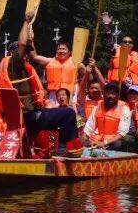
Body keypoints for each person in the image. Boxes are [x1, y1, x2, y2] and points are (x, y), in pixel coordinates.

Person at [8, 10, 83, 154]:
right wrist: (26, 21)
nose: (27, 53)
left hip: (33, 111)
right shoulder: (15, 63)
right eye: (24, 51)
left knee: (62, 113)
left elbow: (29, 49)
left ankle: (58, 147)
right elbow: (24, 45)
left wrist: (31, 40)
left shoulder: (15, 65)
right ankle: (69, 149)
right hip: (30, 115)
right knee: (67, 113)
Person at [83, 82, 133, 152]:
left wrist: (104, 143)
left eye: (113, 94)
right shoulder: (98, 106)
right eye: (108, 93)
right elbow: (89, 126)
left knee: (118, 144)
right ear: (103, 94)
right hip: (98, 139)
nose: (110, 96)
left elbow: (122, 133)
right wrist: (85, 137)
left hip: (113, 142)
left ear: (118, 96)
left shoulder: (124, 109)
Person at [31, 41, 82, 106]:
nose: (61, 51)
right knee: (53, 112)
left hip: (70, 93)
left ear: (69, 52)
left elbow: (87, 75)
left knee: (69, 113)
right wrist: (31, 41)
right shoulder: (50, 61)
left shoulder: (76, 63)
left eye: (63, 49)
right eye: (59, 49)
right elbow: (34, 57)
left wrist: (93, 67)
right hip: (54, 93)